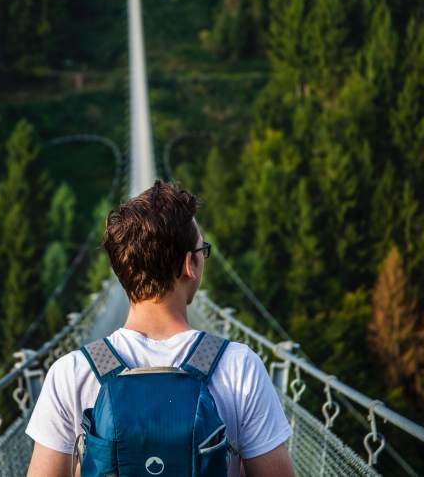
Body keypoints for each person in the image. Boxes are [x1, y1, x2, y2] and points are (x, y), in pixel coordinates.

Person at [26, 180, 296, 476]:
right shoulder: (239, 366)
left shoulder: (71, 372)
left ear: (120, 270)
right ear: (189, 265)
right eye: (202, 251)